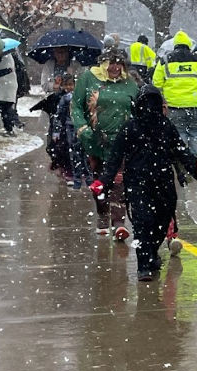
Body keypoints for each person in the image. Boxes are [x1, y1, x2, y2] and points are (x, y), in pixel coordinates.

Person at [89, 85, 197, 281]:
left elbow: (183, 154)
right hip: (138, 182)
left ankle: (152, 251)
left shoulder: (166, 126)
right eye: (145, 103)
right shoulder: (130, 127)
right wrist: (104, 181)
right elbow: (115, 157)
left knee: (162, 221)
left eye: (153, 103)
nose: (149, 107)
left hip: (163, 181)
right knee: (142, 222)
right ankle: (143, 264)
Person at [72, 47, 139, 238]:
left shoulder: (130, 83)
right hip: (96, 140)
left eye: (120, 63)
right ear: (103, 63)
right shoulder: (88, 78)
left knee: (119, 181)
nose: (116, 67)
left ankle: (119, 222)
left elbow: (137, 108)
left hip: (122, 140)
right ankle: (102, 213)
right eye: (112, 62)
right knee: (100, 180)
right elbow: (76, 105)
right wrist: (82, 128)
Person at [152, 30, 197, 157]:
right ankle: (196, 164)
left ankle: (182, 163)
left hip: (174, 106)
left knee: (178, 134)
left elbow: (157, 84)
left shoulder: (164, 61)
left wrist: (166, 96)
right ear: (189, 45)